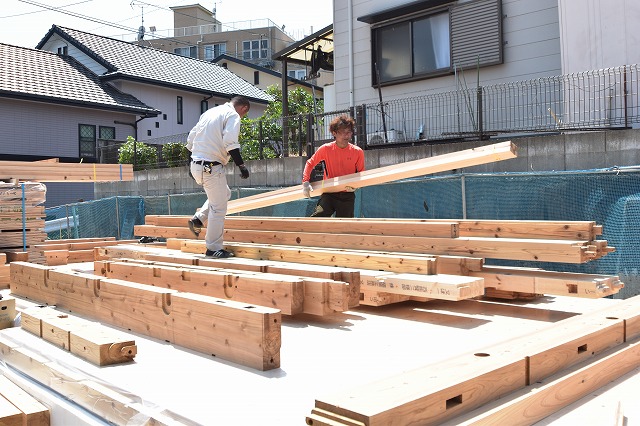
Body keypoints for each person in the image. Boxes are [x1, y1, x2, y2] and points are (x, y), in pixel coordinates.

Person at [186, 95, 250, 258]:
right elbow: (230, 142)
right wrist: (241, 166)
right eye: (244, 114)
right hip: (211, 166)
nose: (242, 117)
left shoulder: (210, 112)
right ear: (244, 109)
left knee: (224, 194)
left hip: (198, 164)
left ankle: (198, 220)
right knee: (218, 208)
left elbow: (191, 140)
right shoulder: (233, 115)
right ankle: (213, 248)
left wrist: (191, 164)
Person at [301, 115, 365, 217]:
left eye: (349, 132)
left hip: (347, 194)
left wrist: (356, 187)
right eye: (342, 132)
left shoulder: (357, 152)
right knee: (318, 219)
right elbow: (310, 163)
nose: (346, 135)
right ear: (334, 133)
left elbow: (361, 173)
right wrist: (305, 182)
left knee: (344, 227)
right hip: (329, 192)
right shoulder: (326, 149)